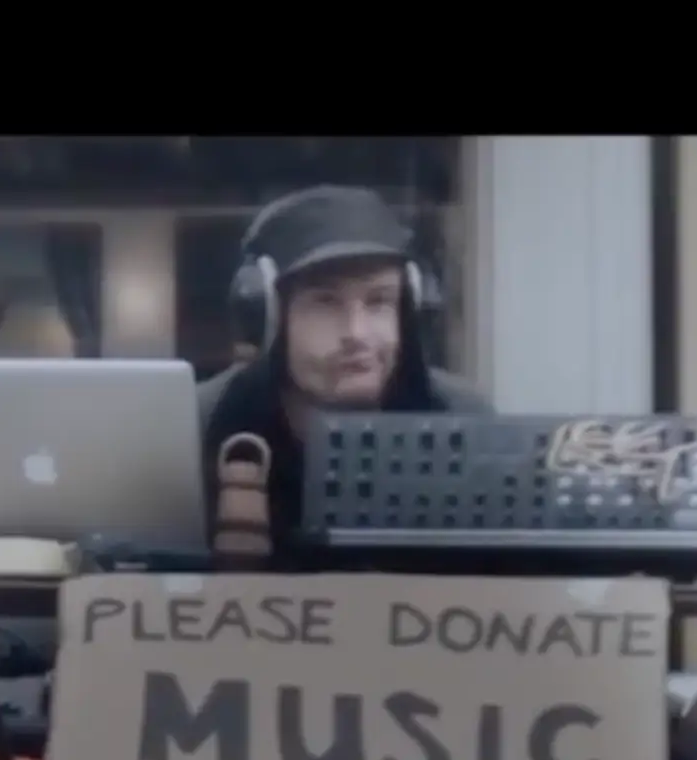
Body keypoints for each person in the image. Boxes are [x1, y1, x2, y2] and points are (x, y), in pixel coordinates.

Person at [197, 183, 486, 549]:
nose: (357, 333)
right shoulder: (203, 423)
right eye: (325, 303)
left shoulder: (460, 417)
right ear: (267, 317)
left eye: (379, 302)